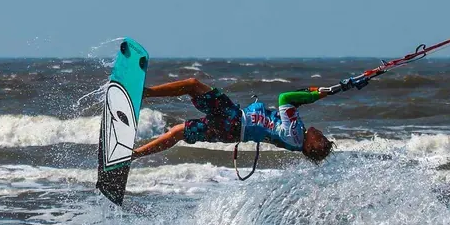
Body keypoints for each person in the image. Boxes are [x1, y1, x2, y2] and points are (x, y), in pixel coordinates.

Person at [132, 78, 334, 162]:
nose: (321, 134)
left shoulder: (296, 134)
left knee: (193, 85)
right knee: (177, 132)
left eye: (321, 139)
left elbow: (286, 99)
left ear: (311, 145)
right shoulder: (296, 140)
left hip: (234, 119)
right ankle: (134, 155)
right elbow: (295, 103)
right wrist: (319, 91)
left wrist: (317, 95)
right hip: (231, 133)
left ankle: (144, 93)